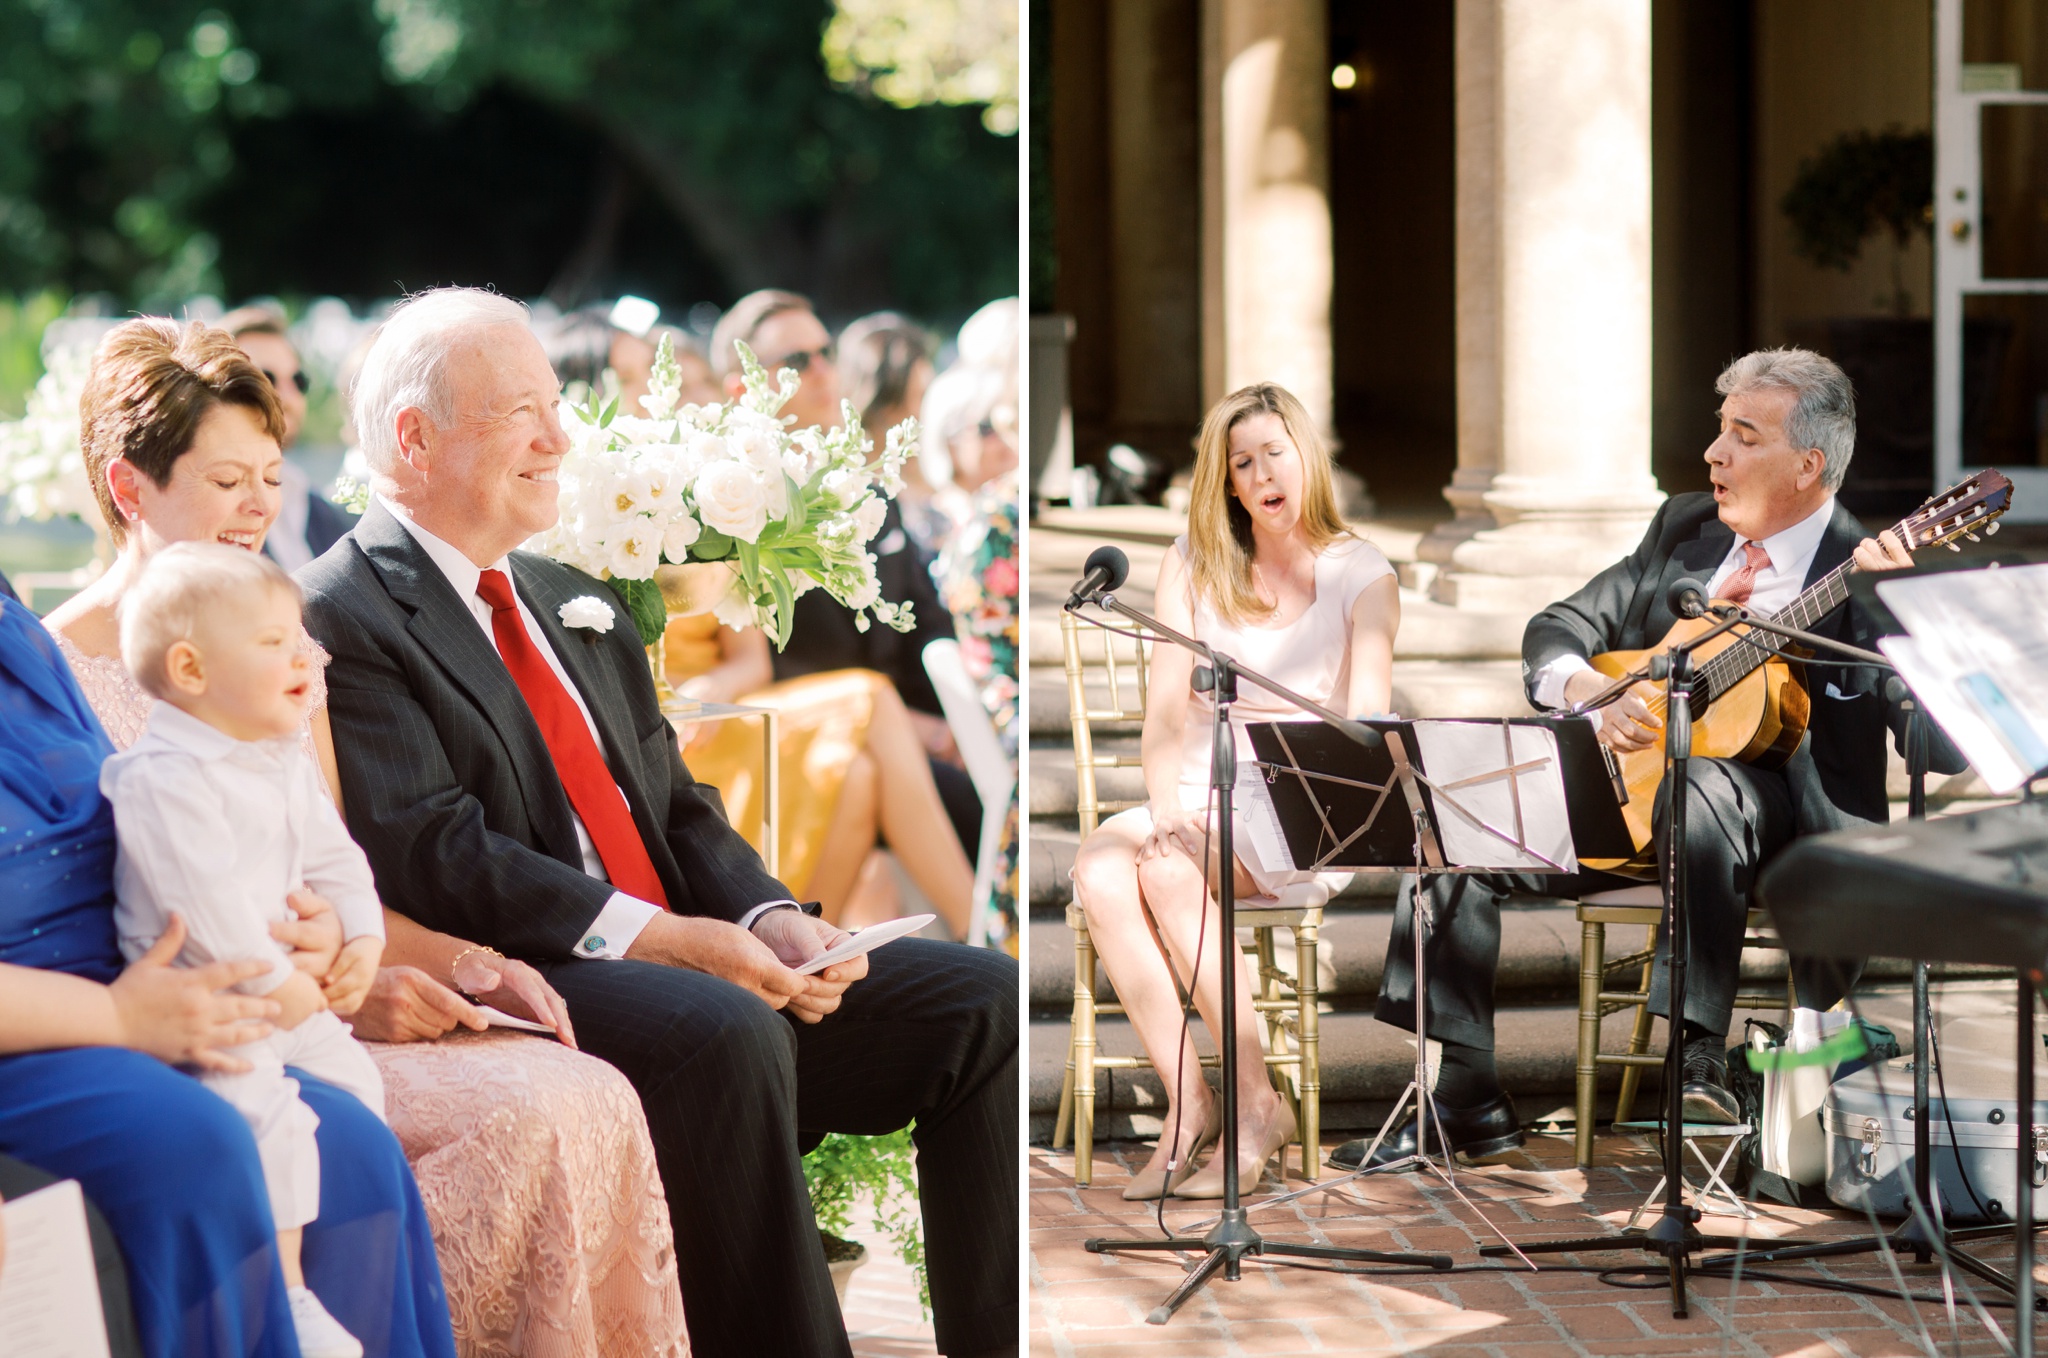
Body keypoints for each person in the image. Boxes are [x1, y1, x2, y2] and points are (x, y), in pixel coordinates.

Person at [300, 287, 1017, 1358]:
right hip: (542, 968)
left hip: (694, 954)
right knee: (721, 1032)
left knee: (985, 999)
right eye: (519, 413)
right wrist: (675, 941)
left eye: (555, 403)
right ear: (414, 437)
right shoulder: (343, 608)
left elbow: (678, 801)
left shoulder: (563, 590)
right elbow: (435, 849)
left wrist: (768, 914)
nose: (560, 436)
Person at [44, 317, 690, 1358]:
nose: (259, 504)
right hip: (189, 1021)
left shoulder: (286, 646)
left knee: (584, 1088)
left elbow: (337, 856)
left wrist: (424, 959)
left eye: (268, 472)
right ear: (130, 489)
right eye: (225, 479)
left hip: (323, 1002)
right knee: (529, 1114)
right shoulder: (52, 671)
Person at [1334, 347, 1962, 1172]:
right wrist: (1597, 695)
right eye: (1719, 430)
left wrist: (1892, 610)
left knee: (1702, 784)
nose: (1714, 453)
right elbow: (1555, 629)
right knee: (1456, 823)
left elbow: (1943, 748)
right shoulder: (1684, 529)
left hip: (1790, 839)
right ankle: (1467, 1095)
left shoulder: (1864, 570)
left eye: (1743, 435)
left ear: (1809, 465)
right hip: (1633, 798)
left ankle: (1696, 1055)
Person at [0, 593, 459, 1358]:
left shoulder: (12, 622)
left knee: (348, 1142)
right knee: (197, 1144)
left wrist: (296, 922)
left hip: (144, 984)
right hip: (39, 1032)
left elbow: (136, 835)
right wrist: (121, 1019)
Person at [1069, 382, 1400, 1199]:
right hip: (1196, 784)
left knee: (1173, 872)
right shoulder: (1191, 559)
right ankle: (1192, 1108)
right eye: (1240, 462)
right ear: (1225, 480)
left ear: (1305, 458)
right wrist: (1169, 806)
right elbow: (1162, 715)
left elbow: (1361, 738)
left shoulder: (1364, 573)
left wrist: (1188, 834)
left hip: (1300, 800)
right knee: (1100, 871)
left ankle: (1256, 1106)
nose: (1259, 474)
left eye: (1272, 454)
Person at [104, 543, 389, 1358]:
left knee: (357, 1088)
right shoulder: (161, 779)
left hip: (291, 992)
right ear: (191, 669)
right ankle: (289, 1293)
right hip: (214, 1003)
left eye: (298, 635)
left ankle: (341, 1262)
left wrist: (360, 938)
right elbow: (205, 911)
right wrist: (279, 989)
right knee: (259, 1111)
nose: (301, 653)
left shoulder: (281, 757)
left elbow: (339, 862)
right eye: (271, 642)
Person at [715, 290, 982, 866]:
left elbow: (927, 621)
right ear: (743, 388)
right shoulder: (729, 508)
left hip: (909, 725)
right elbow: (775, 660)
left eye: (825, 351)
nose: (821, 370)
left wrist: (967, 718)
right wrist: (923, 732)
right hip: (818, 737)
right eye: (796, 361)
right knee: (970, 805)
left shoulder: (866, 488)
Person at [658, 601, 974, 935]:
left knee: (857, 775)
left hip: (719, 715)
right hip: (660, 736)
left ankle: (808, 955)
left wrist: (715, 684)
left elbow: (752, 661)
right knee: (871, 697)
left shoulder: (722, 550)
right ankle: (976, 921)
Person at [220, 305, 359, 570]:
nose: (288, 395)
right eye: (265, 378)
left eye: (298, 380)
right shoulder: (209, 512)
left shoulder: (320, 509)